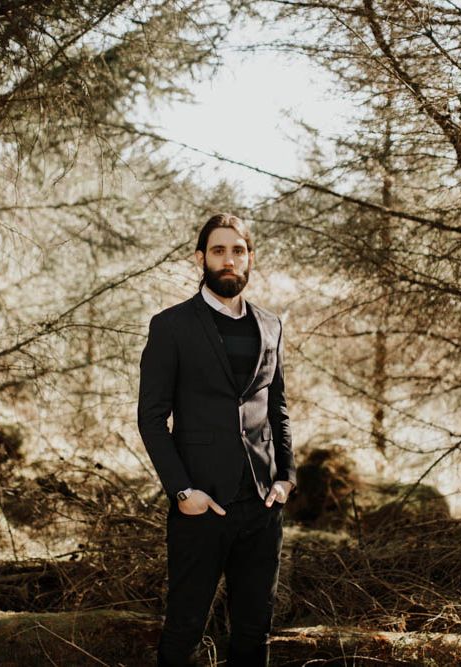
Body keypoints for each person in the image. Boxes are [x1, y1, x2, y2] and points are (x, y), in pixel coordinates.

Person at [137, 213, 297, 666]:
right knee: (184, 628)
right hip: (201, 506)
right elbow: (151, 417)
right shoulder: (171, 326)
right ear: (200, 258)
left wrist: (286, 477)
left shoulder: (270, 325)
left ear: (250, 258)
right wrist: (182, 491)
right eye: (219, 250)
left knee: (253, 630)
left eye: (238, 251)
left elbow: (277, 407)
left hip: (263, 507)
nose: (229, 260)